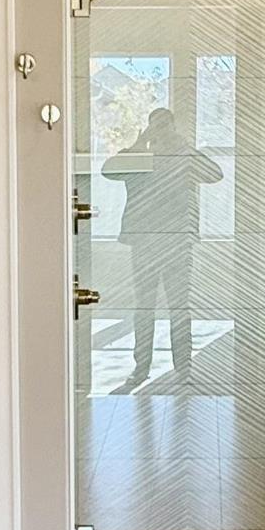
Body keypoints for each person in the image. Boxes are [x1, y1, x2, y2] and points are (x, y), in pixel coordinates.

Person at [103, 106, 221, 390]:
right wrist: (137, 145)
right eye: (158, 125)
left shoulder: (184, 157)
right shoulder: (140, 157)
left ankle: (183, 369)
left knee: (178, 306)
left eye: (166, 125)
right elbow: (107, 170)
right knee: (147, 307)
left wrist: (185, 147)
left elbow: (216, 174)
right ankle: (142, 368)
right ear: (150, 128)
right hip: (147, 241)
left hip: (176, 240)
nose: (162, 131)